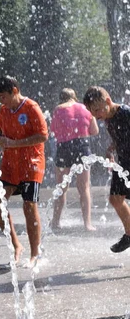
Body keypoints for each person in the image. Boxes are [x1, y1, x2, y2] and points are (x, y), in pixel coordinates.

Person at [0, 76, 48, 266]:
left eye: (3, 97)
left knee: (29, 206)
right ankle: (17, 245)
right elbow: (1, 134)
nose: (1, 101)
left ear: (14, 91)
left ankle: (34, 254)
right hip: (10, 165)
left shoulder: (31, 107)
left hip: (31, 164)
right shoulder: (3, 110)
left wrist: (15, 144)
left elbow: (42, 135)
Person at [83, 86, 130, 253]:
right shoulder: (108, 117)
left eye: (97, 110)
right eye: (92, 112)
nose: (95, 115)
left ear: (108, 101)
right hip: (123, 163)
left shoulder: (125, 113)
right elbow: (121, 137)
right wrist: (111, 149)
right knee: (115, 199)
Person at [50, 88, 99, 231]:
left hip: (63, 148)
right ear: (74, 96)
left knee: (61, 188)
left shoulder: (58, 109)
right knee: (84, 188)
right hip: (82, 147)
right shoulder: (86, 108)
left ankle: (55, 222)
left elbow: (53, 130)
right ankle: (87, 224)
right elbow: (94, 131)